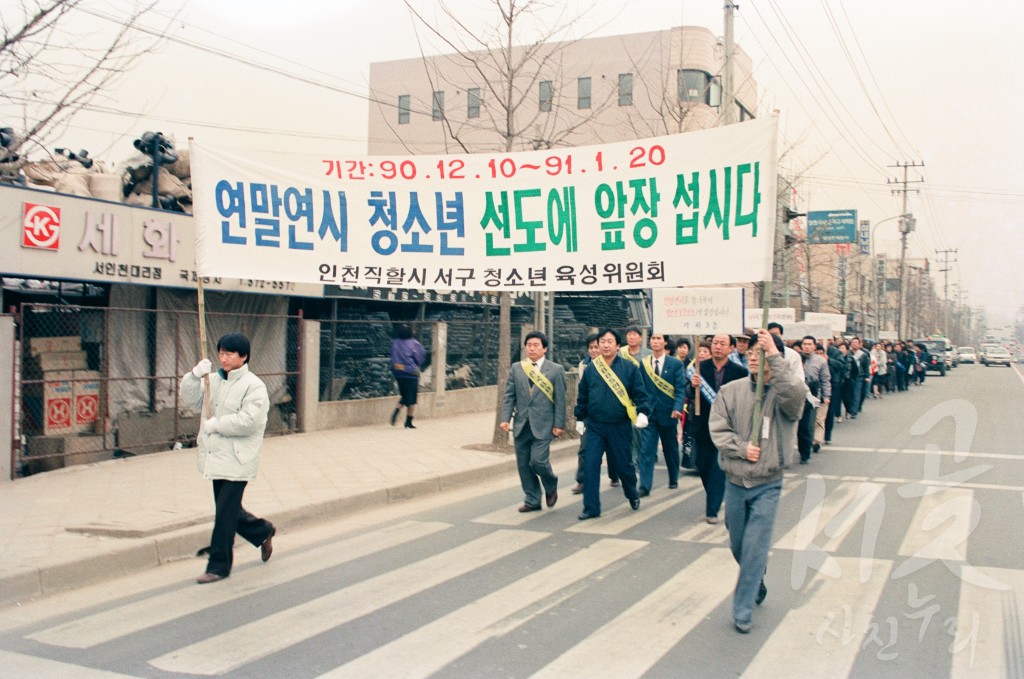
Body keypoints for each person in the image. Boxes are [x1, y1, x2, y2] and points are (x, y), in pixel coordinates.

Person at [710, 329, 808, 634]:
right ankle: (756, 577)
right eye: (750, 352)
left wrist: (775, 356)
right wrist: (741, 447)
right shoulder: (731, 390)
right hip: (735, 480)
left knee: (754, 547)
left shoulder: (785, 393)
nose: (753, 357)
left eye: (760, 352)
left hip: (768, 482)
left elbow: (795, 398)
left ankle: (742, 609)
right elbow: (718, 429)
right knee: (739, 544)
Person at [180, 333, 276, 585]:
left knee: (224, 513)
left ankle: (219, 566)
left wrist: (217, 425)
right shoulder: (212, 381)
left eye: (230, 353)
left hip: (239, 458)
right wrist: (193, 376)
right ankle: (262, 531)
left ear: (243, 357)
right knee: (230, 511)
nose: (224, 358)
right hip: (215, 456)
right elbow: (189, 400)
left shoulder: (254, 386)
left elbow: (248, 421)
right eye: (221, 352)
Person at [574, 328, 650, 520]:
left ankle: (632, 494)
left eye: (609, 342)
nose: (605, 345)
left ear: (618, 345)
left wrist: (643, 412)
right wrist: (580, 418)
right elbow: (583, 396)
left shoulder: (629, 368)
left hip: (619, 426)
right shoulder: (591, 369)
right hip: (596, 426)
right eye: (602, 342)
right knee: (590, 465)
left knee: (624, 466)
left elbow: (641, 393)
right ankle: (591, 508)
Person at [500, 331, 566, 513]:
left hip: (544, 424)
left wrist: (559, 424)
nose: (532, 348)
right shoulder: (517, 368)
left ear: (544, 348)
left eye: (536, 345)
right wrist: (505, 419)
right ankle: (532, 499)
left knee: (538, 461)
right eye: (529, 345)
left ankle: (551, 484)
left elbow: (560, 399)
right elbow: (509, 396)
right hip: (522, 424)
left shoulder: (555, 370)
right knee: (523, 464)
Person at [689, 333, 748, 523]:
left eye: (723, 344)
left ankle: (711, 510)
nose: (718, 347)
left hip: (726, 426)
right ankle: (715, 493)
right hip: (703, 424)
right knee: (702, 464)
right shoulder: (699, 368)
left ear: (731, 348)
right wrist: (692, 386)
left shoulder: (739, 372)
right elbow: (689, 394)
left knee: (717, 467)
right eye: (715, 343)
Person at [637, 333, 686, 495]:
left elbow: (680, 389)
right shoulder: (644, 364)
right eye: (653, 339)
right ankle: (644, 486)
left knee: (670, 449)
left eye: (659, 339)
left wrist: (677, 408)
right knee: (646, 450)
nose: (656, 342)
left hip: (669, 414)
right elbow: (641, 388)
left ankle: (673, 477)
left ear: (664, 342)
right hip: (650, 415)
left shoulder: (675, 364)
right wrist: (641, 410)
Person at [571, 334, 601, 495]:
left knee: (613, 450)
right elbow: (580, 392)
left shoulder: (612, 365)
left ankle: (615, 475)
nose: (594, 350)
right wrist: (580, 417)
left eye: (597, 347)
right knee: (584, 448)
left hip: (608, 416)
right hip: (589, 415)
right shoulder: (584, 365)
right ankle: (582, 480)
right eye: (591, 348)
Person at [798, 335, 830, 463]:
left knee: (808, 425)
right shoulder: (797, 358)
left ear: (814, 346)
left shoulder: (821, 361)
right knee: (798, 426)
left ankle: (806, 453)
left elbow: (825, 379)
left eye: (810, 344)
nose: (807, 346)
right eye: (805, 344)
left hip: (813, 397)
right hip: (797, 396)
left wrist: (826, 396)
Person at [390, 324, 427, 429]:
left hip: (398, 372)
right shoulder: (414, 344)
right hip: (411, 373)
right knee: (412, 398)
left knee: (405, 395)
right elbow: (420, 357)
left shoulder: (395, 343)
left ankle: (397, 410)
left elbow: (392, 356)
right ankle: (408, 421)